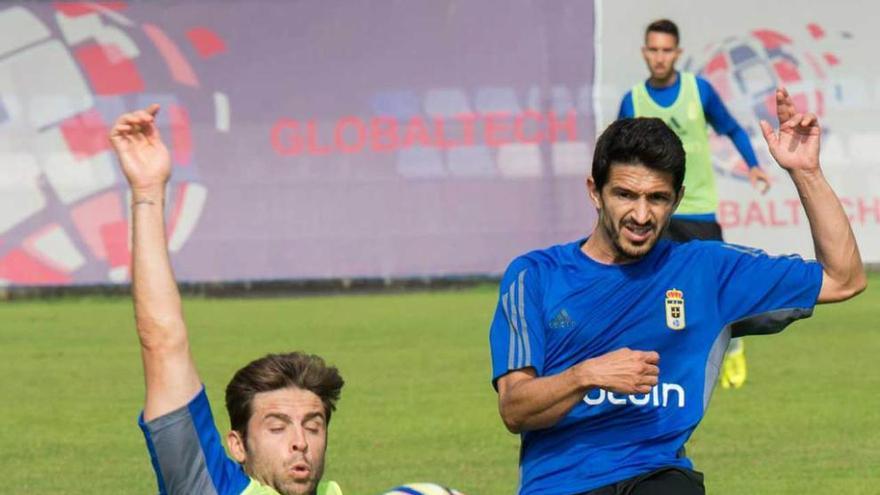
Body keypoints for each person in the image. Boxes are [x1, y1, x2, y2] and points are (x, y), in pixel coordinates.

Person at [489, 89, 865, 495]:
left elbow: (843, 279)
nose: (641, 214)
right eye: (625, 195)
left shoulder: (707, 270)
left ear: (678, 200)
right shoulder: (535, 276)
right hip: (560, 484)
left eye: (657, 198)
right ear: (595, 191)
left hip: (658, 474)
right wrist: (587, 374)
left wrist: (806, 172)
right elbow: (515, 409)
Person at [110, 105, 344, 495]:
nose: (300, 441)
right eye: (277, 426)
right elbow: (163, 341)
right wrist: (148, 193)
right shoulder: (209, 486)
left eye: (313, 425)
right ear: (237, 445)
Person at [617, 19, 772, 388]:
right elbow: (618, 155)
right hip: (652, 212)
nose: (659, 57)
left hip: (699, 208)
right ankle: (667, 362)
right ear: (644, 53)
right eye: (653, 50)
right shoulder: (633, 100)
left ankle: (733, 346)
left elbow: (731, 127)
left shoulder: (698, 91)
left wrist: (753, 166)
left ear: (678, 53)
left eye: (666, 50)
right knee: (655, 288)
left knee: (715, 285)